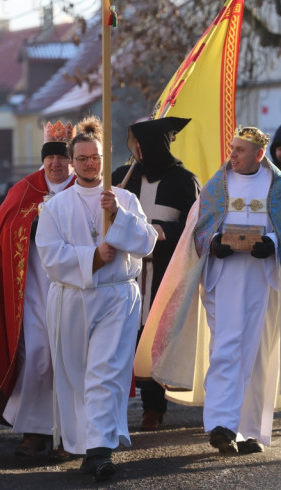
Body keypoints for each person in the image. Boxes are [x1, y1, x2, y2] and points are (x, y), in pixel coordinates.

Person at [136, 127, 281, 454]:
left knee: (257, 353)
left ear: (259, 154)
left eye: (241, 150)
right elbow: (196, 230)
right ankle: (221, 425)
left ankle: (252, 431)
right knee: (225, 348)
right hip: (224, 278)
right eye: (232, 148)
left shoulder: (279, 187)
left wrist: (270, 244)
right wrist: (215, 244)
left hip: (261, 279)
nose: (233, 155)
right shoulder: (217, 185)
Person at [35, 117, 157, 481]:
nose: (90, 164)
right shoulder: (55, 207)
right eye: (83, 158)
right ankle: (87, 445)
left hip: (117, 297)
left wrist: (118, 217)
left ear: (104, 158)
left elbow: (147, 242)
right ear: (72, 162)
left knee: (105, 374)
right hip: (73, 299)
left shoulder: (125, 199)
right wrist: (91, 257)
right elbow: (50, 256)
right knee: (76, 376)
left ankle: (101, 449)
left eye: (96, 157)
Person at [0, 120, 75, 458]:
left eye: (62, 157)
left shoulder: (84, 189)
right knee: (38, 357)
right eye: (49, 157)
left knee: (69, 361)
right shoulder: (25, 189)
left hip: (75, 289)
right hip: (35, 291)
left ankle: (69, 434)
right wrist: (29, 226)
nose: (55, 163)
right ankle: (35, 431)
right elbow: (1, 228)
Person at [112, 116, 200, 432]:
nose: (135, 148)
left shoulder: (183, 181)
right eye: (133, 142)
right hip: (125, 271)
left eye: (141, 142)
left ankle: (154, 407)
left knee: (155, 337)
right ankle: (113, 406)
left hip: (164, 272)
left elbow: (196, 227)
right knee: (122, 338)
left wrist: (165, 231)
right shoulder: (124, 177)